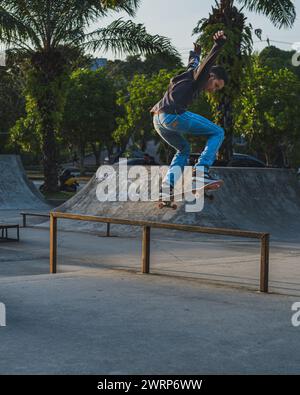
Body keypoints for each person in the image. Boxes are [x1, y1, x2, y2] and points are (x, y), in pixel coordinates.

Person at [151, 30, 228, 197]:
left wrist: (195, 53)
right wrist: (218, 45)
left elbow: (193, 64)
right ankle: (201, 173)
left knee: (184, 149)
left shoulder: (190, 74)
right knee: (218, 132)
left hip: (158, 120)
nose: (213, 91)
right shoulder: (201, 77)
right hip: (173, 116)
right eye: (215, 85)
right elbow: (206, 65)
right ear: (210, 76)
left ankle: (167, 187)